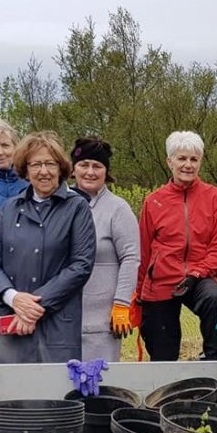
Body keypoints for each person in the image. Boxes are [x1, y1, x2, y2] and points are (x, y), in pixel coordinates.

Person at [0, 131, 96, 363]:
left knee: (56, 396)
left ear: (61, 167)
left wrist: (33, 307)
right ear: (25, 169)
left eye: (49, 163)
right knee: (11, 396)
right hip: (11, 321)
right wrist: (13, 299)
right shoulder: (10, 208)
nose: (43, 171)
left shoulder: (77, 207)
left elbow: (80, 265)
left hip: (56, 324)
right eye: (36, 164)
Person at [136, 131, 217, 361]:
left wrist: (198, 273)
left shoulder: (215, 198)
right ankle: (166, 387)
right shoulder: (153, 201)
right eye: (182, 158)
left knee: (215, 300)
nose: (188, 165)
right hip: (162, 279)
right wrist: (138, 292)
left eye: (193, 159)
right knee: (162, 350)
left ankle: (214, 363)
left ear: (200, 162)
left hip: (199, 276)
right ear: (170, 161)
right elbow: (144, 248)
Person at [69, 137, 140, 362]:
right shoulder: (60, 203)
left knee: (100, 385)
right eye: (84, 165)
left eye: (97, 166)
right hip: (63, 317)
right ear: (73, 168)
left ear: (106, 171)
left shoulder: (118, 209)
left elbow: (131, 257)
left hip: (101, 319)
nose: (90, 172)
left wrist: (121, 303)